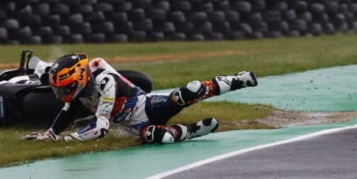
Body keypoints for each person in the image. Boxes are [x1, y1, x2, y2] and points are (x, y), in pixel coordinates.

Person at [23, 53, 257, 145]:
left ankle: (238, 80)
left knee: (188, 92)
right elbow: (66, 111)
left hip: (147, 106)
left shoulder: (105, 81)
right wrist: (50, 134)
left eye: (66, 89)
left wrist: (68, 141)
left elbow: (102, 128)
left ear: (81, 78)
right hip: (133, 129)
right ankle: (191, 131)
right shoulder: (77, 91)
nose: (63, 94)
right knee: (162, 137)